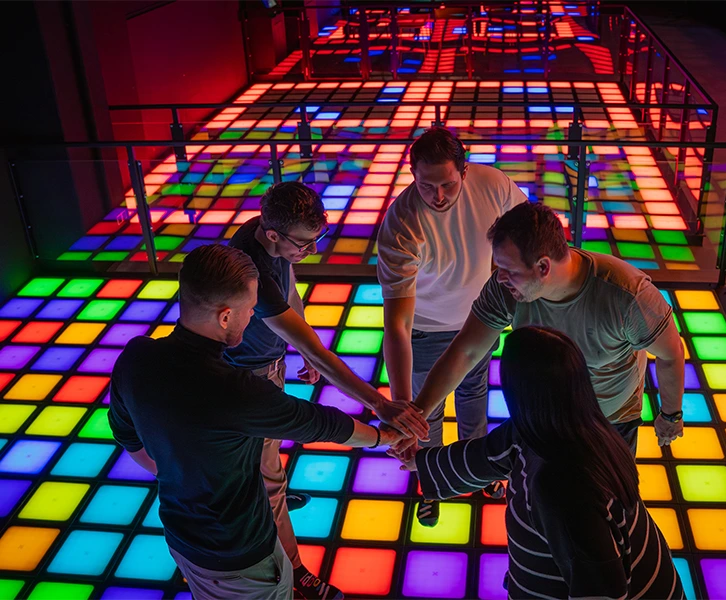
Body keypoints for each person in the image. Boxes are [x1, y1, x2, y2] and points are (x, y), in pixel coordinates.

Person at [109, 244, 403, 600]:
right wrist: (382, 437)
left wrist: (173, 470)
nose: (252, 318)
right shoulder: (236, 391)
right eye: (250, 310)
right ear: (225, 316)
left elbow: (126, 433)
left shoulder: (136, 357)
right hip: (241, 559)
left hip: (182, 538)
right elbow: (320, 423)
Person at [224, 181, 428, 598]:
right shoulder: (253, 270)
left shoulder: (267, 236)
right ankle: (295, 572)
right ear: (273, 233)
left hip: (270, 362)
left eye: (317, 239)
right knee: (268, 477)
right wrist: (379, 404)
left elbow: (292, 291)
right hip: (249, 376)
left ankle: (270, 507)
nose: (312, 250)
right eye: (304, 243)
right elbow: (314, 350)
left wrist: (298, 349)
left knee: (268, 465)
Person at [391, 326, 685, 600]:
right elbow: (486, 455)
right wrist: (418, 459)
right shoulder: (566, 424)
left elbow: (600, 587)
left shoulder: (562, 488)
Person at [399, 201, 685, 455]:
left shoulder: (626, 295)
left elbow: (670, 354)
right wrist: (417, 416)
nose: (500, 278)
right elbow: (466, 351)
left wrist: (670, 415)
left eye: (510, 270)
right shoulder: (506, 289)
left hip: (611, 423)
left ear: (543, 267)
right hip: (541, 419)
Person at [378, 127, 528, 526]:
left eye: (447, 184)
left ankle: (475, 469)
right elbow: (397, 321)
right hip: (427, 332)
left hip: (480, 322)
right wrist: (402, 407)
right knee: (428, 412)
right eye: (426, 186)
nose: (438, 196)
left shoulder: (492, 184)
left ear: (464, 170)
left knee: (474, 394)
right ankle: (432, 482)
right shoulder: (401, 225)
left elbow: (529, 224)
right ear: (412, 175)